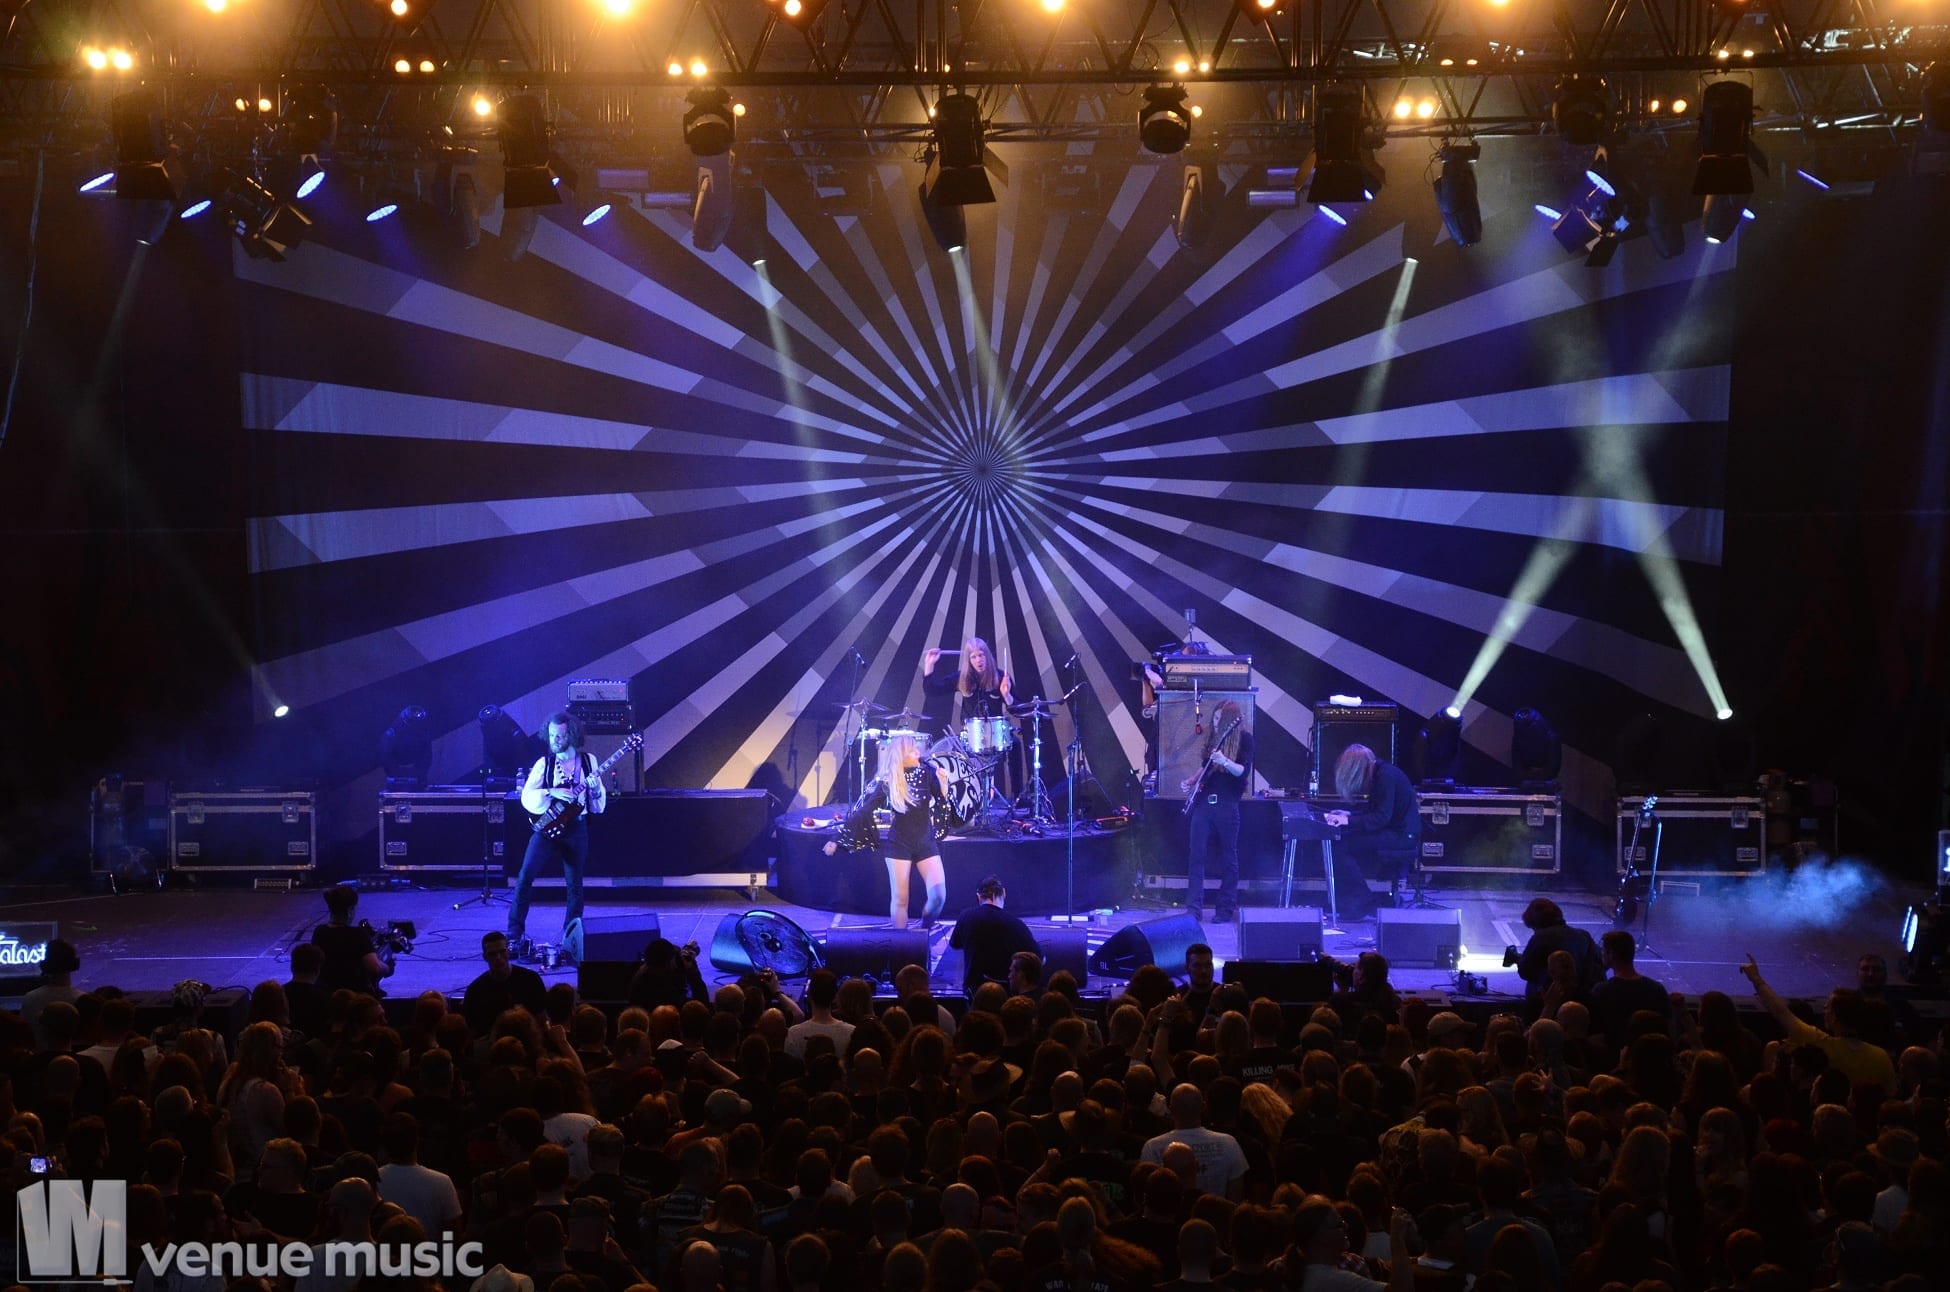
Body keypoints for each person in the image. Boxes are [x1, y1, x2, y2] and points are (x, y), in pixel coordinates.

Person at [828, 732, 949, 930]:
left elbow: (942, 799)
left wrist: (943, 783)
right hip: (899, 844)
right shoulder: (889, 781)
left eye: (917, 749)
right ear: (901, 756)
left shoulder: (927, 772)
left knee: (939, 897)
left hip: (925, 842)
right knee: (901, 899)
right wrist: (837, 837)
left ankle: (923, 931)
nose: (918, 753)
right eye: (912, 750)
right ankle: (901, 943)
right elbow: (864, 810)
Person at [511, 710, 608, 950]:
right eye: (552, 734)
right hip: (547, 828)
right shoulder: (544, 763)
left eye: (560, 735)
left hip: (577, 827)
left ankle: (571, 935)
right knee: (525, 876)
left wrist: (595, 789)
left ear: (572, 735)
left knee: (574, 883)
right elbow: (527, 797)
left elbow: (598, 805)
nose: (554, 740)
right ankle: (514, 932)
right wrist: (551, 791)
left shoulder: (589, 761)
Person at [1321, 744, 1417, 914]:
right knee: (1342, 841)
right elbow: (1378, 813)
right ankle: (1355, 899)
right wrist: (1349, 814)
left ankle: (1362, 901)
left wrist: (1347, 821)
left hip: (1402, 835)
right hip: (1398, 831)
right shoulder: (1382, 774)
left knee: (1341, 846)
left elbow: (1381, 818)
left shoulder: (1385, 777)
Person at [1180, 698, 1252, 921]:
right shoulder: (1214, 738)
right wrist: (1191, 781)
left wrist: (1225, 761)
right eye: (1215, 717)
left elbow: (1243, 772)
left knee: (1229, 858)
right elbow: (1206, 767)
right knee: (1196, 856)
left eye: (1220, 719)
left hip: (1227, 805)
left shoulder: (1245, 740)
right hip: (1204, 803)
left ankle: (1225, 909)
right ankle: (1193, 909)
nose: (1215, 722)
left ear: (1231, 720)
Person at [949, 874, 1040, 995]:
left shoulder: (965, 916)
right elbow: (1040, 958)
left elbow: (955, 945)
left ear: (978, 896)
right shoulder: (1016, 924)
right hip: (1005, 994)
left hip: (973, 993)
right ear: (1004, 893)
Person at [1589, 930, 1670, 1056]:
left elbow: (1595, 1033)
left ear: (1611, 954)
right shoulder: (1656, 989)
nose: (1601, 954)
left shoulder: (1601, 991)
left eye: (1603, 951)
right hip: (1651, 1056)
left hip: (1611, 1058)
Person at [1514, 899, 1603, 1006]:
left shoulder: (1540, 937)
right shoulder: (1584, 935)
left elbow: (1525, 971)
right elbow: (1597, 965)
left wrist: (1520, 960)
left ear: (1536, 922)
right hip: (1582, 1001)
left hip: (1549, 1001)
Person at [310, 885, 394, 996]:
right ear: (350, 910)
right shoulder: (358, 934)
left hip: (326, 993)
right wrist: (388, 967)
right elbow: (374, 967)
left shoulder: (319, 932)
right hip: (354, 995)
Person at [464, 931, 548, 1034]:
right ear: (485, 957)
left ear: (508, 952)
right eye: (492, 954)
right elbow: (472, 1030)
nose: (498, 957)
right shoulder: (475, 991)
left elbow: (542, 1018)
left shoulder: (531, 980)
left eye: (502, 952)